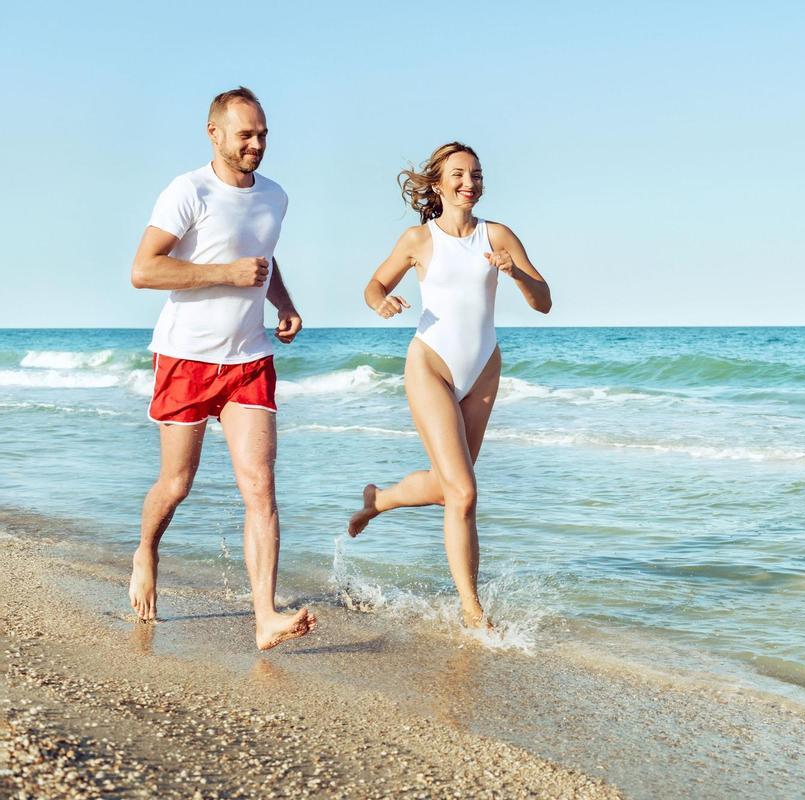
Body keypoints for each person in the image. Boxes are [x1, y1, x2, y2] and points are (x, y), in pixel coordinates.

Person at [127, 86, 316, 650]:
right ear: (214, 133)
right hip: (186, 357)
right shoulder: (187, 191)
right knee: (177, 483)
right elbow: (143, 271)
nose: (257, 144)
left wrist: (282, 300)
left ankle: (265, 617)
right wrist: (223, 274)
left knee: (260, 488)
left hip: (249, 358)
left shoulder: (275, 197)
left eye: (263, 134)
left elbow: (263, 256)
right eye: (246, 135)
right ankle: (146, 551)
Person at [348, 142, 552, 629]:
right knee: (464, 493)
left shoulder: (498, 235)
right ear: (437, 183)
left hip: (483, 367)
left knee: (449, 489)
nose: (470, 183)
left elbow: (543, 301)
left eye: (477, 175)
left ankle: (380, 499)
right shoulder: (418, 239)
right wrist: (380, 302)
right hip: (431, 365)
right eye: (459, 174)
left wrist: (516, 271)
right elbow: (374, 286)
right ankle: (471, 609)